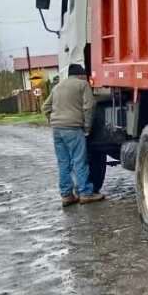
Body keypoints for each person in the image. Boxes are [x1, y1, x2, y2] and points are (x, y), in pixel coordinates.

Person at [41, 64, 104, 206]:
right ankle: (86, 193)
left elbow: (45, 107)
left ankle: (66, 195)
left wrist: (52, 120)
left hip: (57, 129)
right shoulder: (83, 85)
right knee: (79, 160)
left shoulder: (57, 86)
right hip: (73, 128)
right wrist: (87, 127)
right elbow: (89, 106)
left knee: (63, 162)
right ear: (81, 74)